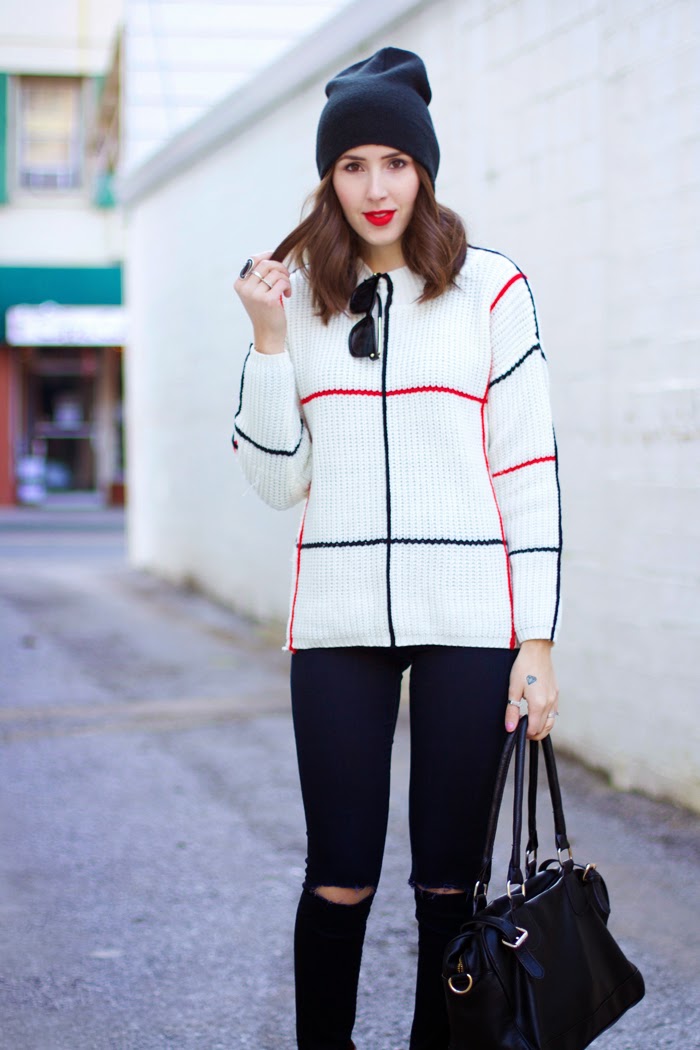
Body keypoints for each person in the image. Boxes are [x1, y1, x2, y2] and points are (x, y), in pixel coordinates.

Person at [232, 46, 561, 1050]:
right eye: (352, 166)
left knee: (446, 884)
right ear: (327, 180)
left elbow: (528, 469)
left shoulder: (490, 291)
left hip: (468, 619)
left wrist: (536, 643)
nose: (376, 188)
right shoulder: (297, 298)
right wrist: (267, 342)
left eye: (396, 163)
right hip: (335, 623)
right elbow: (276, 481)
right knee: (338, 875)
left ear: (425, 171)